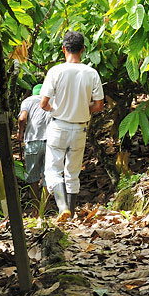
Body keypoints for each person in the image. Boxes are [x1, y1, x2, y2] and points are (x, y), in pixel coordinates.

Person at [40, 31, 104, 217]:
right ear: (83, 49)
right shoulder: (91, 73)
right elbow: (99, 105)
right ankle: (71, 213)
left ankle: (62, 208)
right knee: (73, 172)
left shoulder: (56, 71)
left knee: (53, 170)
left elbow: (43, 103)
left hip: (58, 126)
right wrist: (82, 108)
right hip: (80, 128)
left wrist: (56, 109)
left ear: (63, 49)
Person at [17, 83, 51, 203]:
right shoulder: (51, 101)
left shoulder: (28, 101)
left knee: (32, 175)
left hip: (33, 141)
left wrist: (20, 132)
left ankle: (36, 206)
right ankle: (44, 207)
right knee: (49, 175)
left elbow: (22, 118)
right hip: (51, 142)